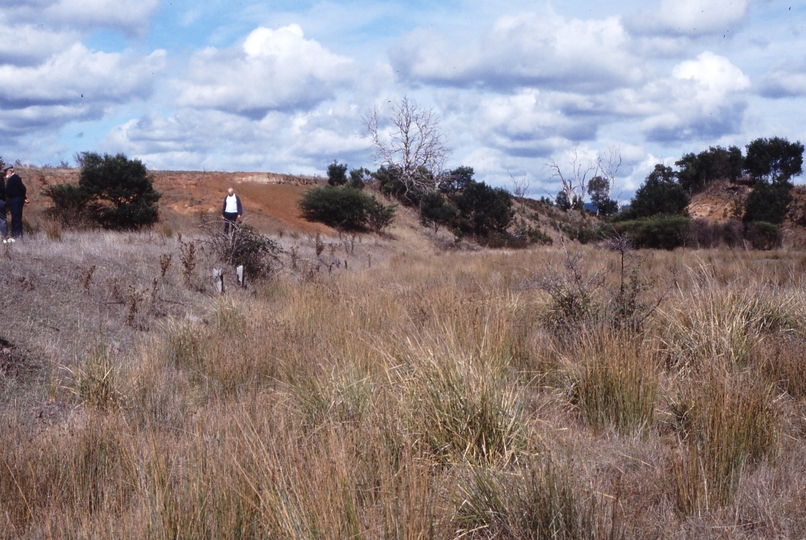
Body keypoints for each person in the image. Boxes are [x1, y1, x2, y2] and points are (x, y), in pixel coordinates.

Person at [4, 165, 27, 239]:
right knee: (14, 218)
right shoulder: (11, 179)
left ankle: (17, 235)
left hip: (16, 200)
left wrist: (23, 196)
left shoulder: (15, 178)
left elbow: (23, 188)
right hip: (13, 200)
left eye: (6, 171)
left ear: (10, 171)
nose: (5, 173)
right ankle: (15, 235)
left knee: (16, 218)